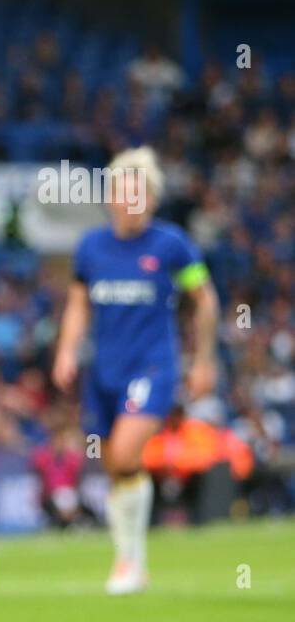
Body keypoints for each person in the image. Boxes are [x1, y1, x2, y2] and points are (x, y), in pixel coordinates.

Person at [52, 147, 219, 594]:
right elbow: (77, 303)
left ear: (152, 197)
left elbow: (204, 300)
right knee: (114, 468)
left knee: (126, 455)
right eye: (124, 193)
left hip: (154, 365)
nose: (132, 201)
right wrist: (66, 351)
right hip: (104, 371)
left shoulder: (172, 245)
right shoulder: (91, 248)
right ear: (111, 198)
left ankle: (130, 561)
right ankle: (131, 561)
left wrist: (203, 359)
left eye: (140, 193)